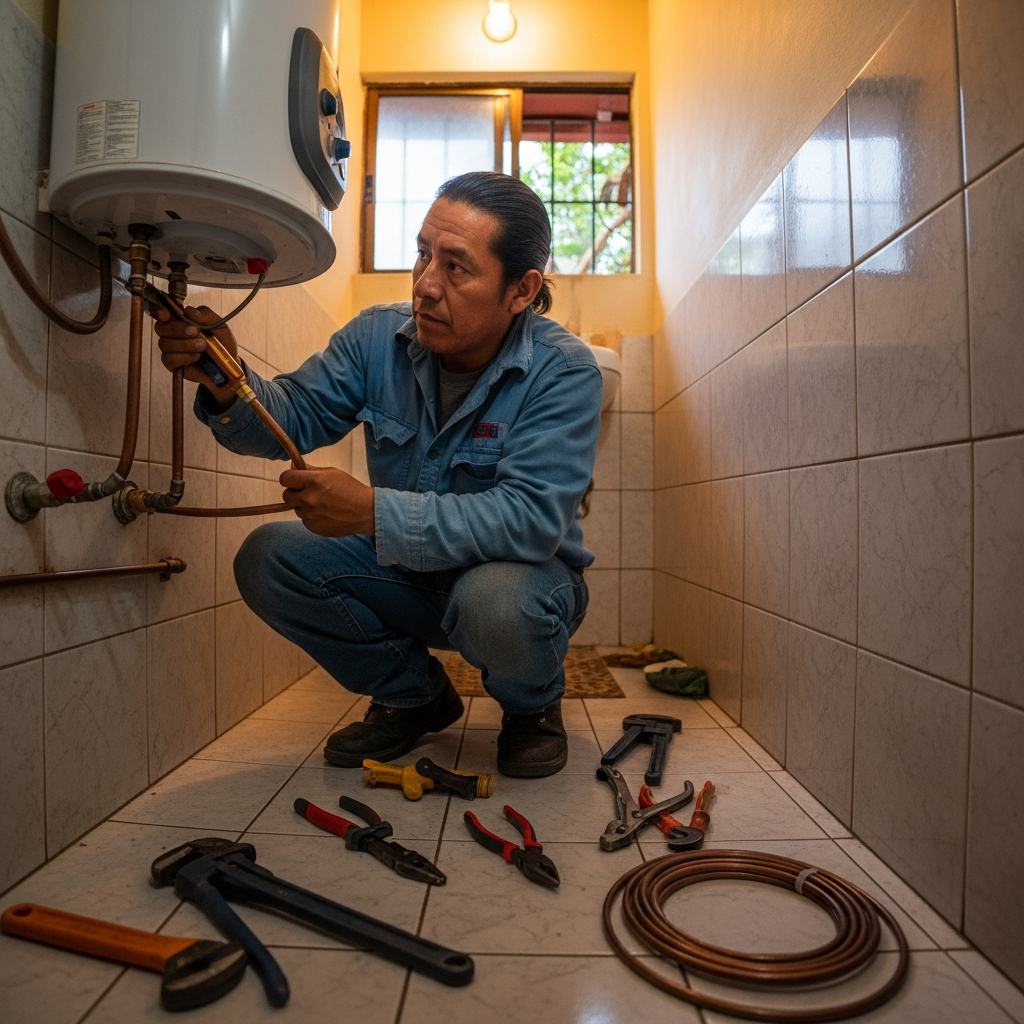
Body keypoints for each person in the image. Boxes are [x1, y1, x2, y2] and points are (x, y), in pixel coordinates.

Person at [155, 171, 603, 778]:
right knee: (270, 558)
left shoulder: (564, 371)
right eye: (422, 254)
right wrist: (225, 379)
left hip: (518, 583)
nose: (425, 285)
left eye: (456, 267)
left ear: (521, 290)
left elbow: (529, 522)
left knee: (495, 602)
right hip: (410, 574)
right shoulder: (377, 337)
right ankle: (414, 694)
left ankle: (531, 707)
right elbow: (293, 415)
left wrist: (371, 513)